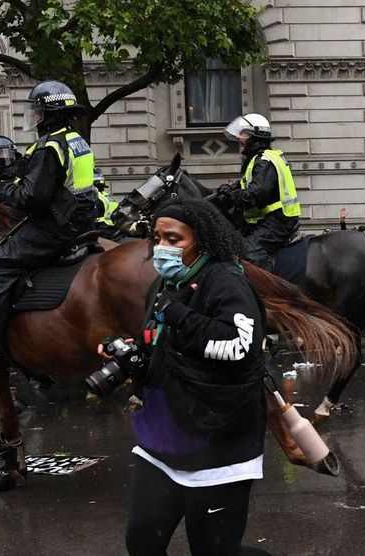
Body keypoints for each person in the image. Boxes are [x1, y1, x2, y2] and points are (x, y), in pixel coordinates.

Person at [115, 200, 270, 556]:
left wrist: (180, 314)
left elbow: (239, 347)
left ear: (200, 241)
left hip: (218, 449)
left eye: (174, 238)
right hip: (160, 444)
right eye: (156, 237)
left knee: (214, 551)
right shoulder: (163, 285)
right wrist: (132, 356)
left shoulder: (226, 281)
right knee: (142, 543)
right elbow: (164, 348)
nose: (161, 247)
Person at [0, 80, 102, 369]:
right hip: (80, 219)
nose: (33, 116)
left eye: (37, 111)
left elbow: (32, 198)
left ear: (50, 113)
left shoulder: (49, 146)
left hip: (56, 225)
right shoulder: (73, 138)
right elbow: (42, 171)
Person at [217, 114, 301, 271]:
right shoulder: (257, 160)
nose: (239, 138)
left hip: (278, 220)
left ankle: (268, 290)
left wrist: (231, 194)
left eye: (243, 134)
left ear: (255, 136)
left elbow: (255, 194)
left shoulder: (265, 160)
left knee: (249, 251)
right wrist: (232, 190)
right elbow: (248, 186)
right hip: (266, 219)